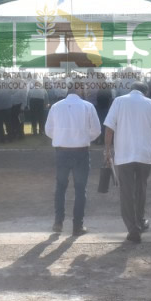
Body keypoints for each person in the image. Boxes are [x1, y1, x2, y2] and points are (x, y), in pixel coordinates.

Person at [103, 81, 151, 243]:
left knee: (126, 192)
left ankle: (133, 228)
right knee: (141, 188)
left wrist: (107, 150)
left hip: (124, 154)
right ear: (146, 92)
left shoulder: (119, 101)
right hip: (145, 154)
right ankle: (140, 220)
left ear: (130, 89)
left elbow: (109, 127)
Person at [44, 81, 101, 236]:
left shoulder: (56, 106)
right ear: (79, 89)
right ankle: (77, 226)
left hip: (62, 151)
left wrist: (62, 137)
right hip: (81, 151)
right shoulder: (88, 106)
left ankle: (58, 222)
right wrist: (84, 137)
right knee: (80, 189)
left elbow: (48, 130)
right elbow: (96, 130)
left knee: (60, 187)